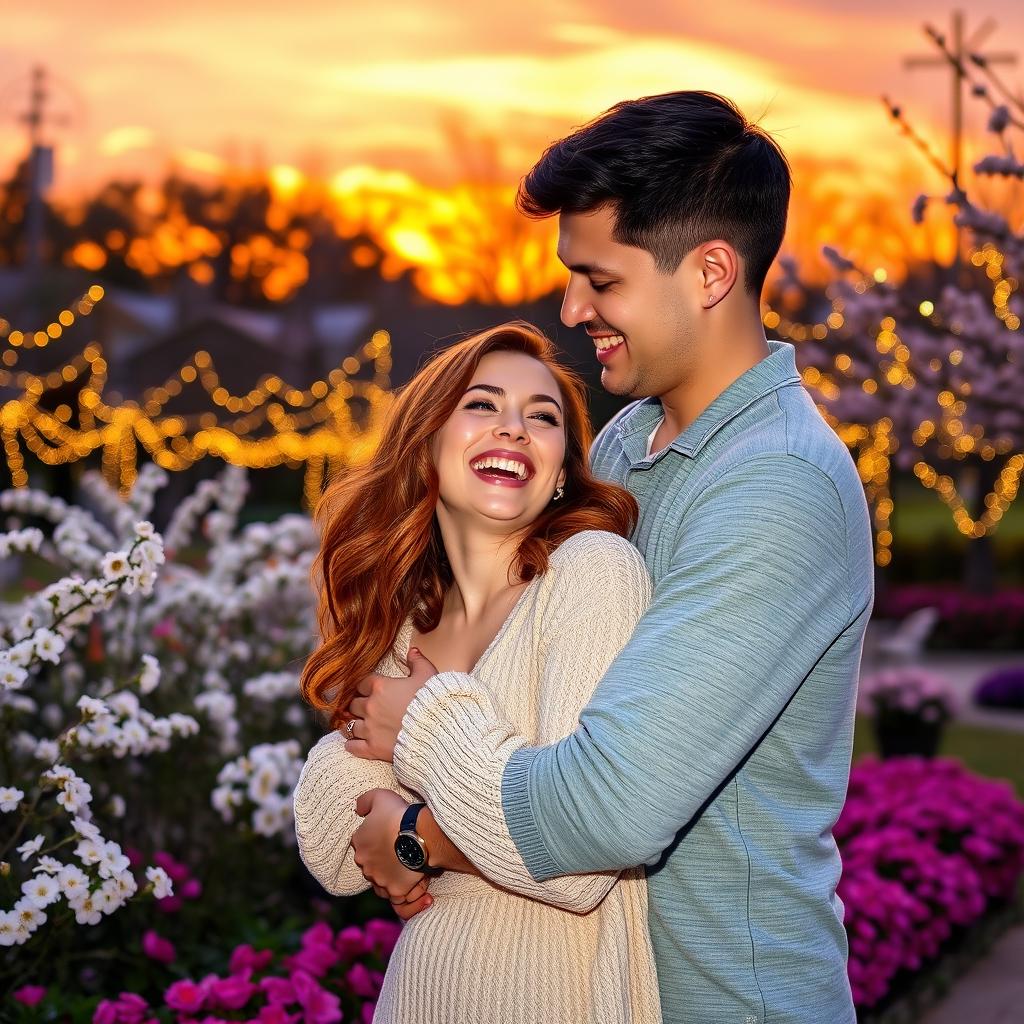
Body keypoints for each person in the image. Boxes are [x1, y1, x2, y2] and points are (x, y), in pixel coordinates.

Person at [344, 90, 874, 1024]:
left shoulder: (778, 485)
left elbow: (609, 809)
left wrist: (424, 814)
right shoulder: (626, 444)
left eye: (600, 279)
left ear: (711, 272)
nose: (572, 307)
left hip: (724, 1002)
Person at [293, 322, 663, 1023]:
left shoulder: (591, 572)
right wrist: (417, 810)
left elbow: (581, 857)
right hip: (421, 996)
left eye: (542, 417)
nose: (515, 427)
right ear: (427, 444)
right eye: (483, 404)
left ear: (560, 472)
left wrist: (416, 784)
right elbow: (333, 847)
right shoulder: (410, 622)